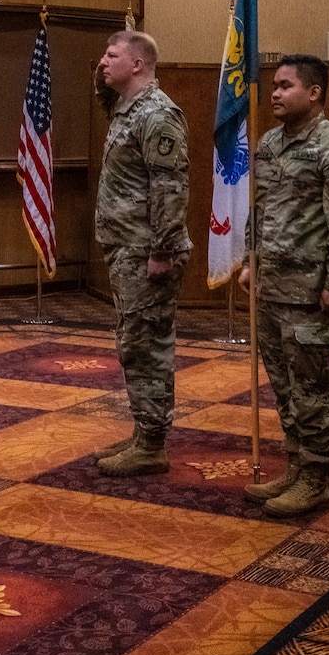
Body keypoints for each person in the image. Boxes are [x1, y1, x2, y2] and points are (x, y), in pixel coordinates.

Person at [238, 54, 329, 517]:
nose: (274, 93)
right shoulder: (270, 143)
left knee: (313, 391)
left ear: (314, 93)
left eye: (285, 85)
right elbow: (261, 207)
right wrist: (251, 259)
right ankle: (294, 465)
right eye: (273, 85)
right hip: (272, 286)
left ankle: (316, 476)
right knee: (285, 388)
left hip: (312, 293)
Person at [90, 30, 192, 477]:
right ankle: (143, 431)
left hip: (148, 251)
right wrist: (100, 77)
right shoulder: (125, 107)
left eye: (111, 56)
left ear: (138, 65)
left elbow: (170, 188)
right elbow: (104, 94)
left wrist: (163, 251)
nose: (102, 61)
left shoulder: (158, 115)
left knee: (146, 344)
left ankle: (152, 443)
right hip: (127, 248)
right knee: (133, 343)